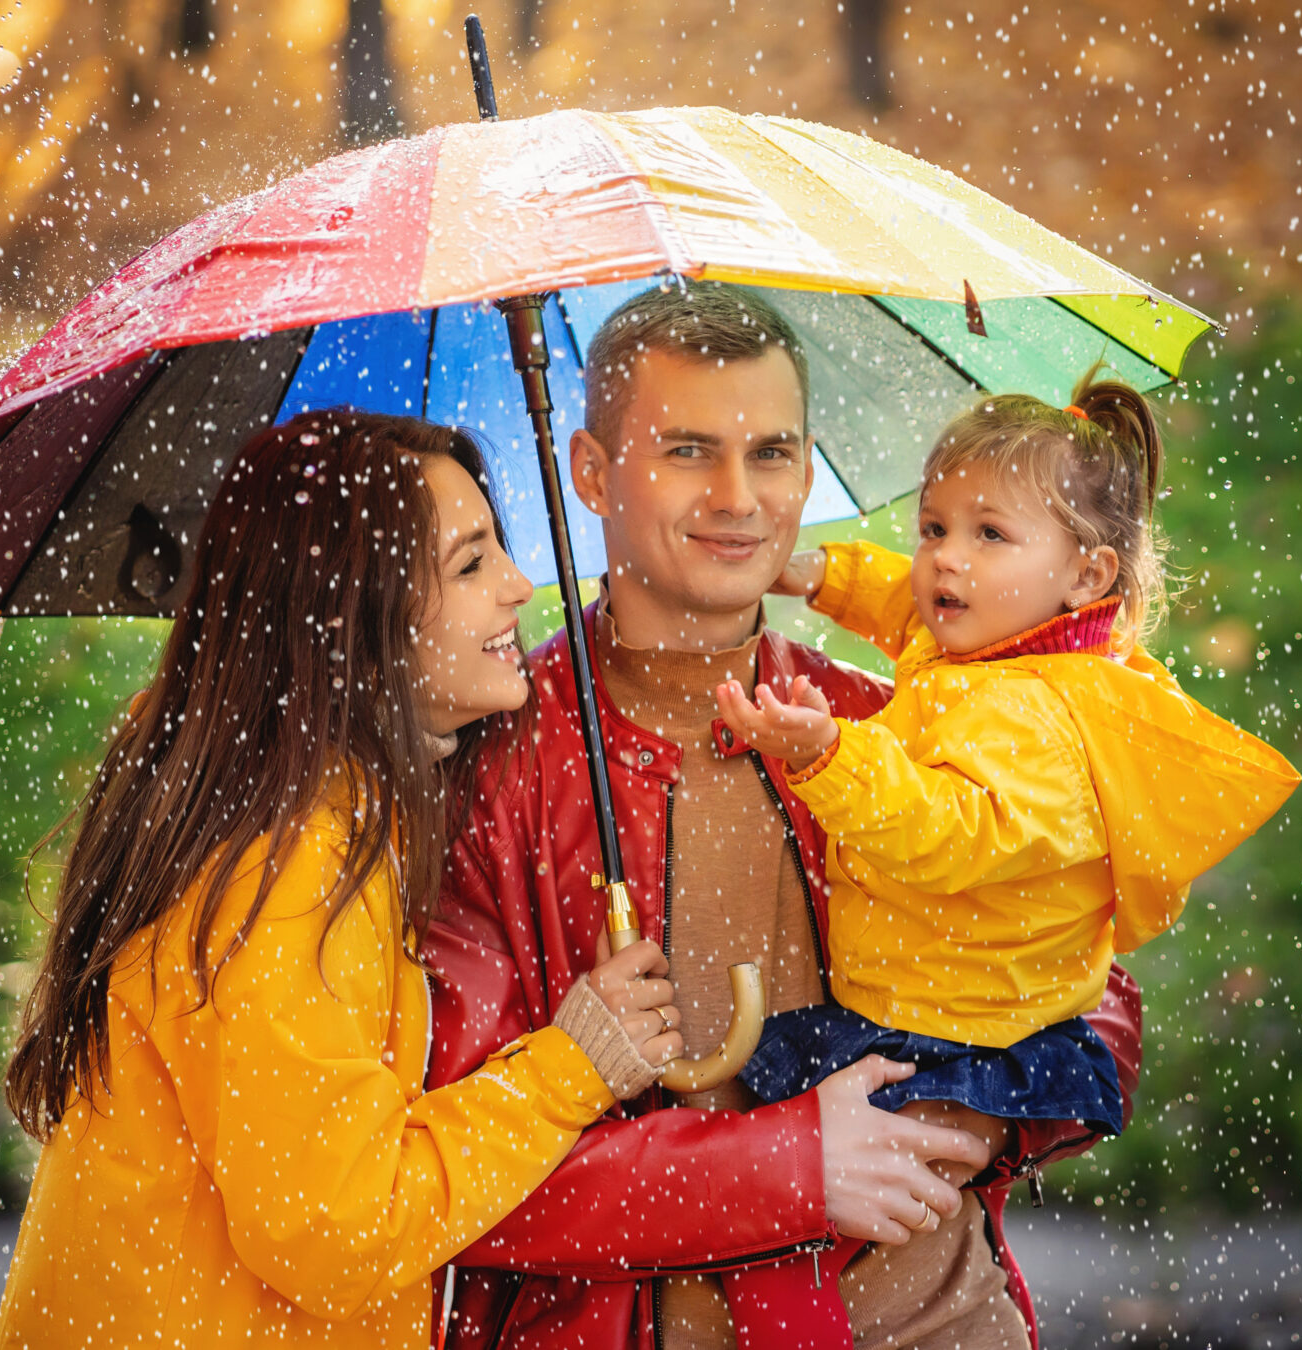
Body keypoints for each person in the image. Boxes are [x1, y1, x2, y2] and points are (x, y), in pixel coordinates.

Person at [421, 282, 1147, 1350]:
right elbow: (442, 1176)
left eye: (770, 453)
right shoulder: (491, 776)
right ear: (587, 473)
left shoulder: (884, 732)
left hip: (936, 1322)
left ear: (809, 469)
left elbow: (1094, 997)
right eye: (686, 451)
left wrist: (953, 1115)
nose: (738, 496)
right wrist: (788, 1169)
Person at [0, 411, 685, 1348]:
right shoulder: (285, 867)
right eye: (472, 565)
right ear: (351, 610)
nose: (519, 588)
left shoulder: (310, 807)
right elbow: (336, 1225)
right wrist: (574, 1067)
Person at [714, 371, 1302, 1334]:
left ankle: (889, 1305)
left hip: (958, 1028)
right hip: (936, 991)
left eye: (990, 535)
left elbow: (952, 835)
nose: (946, 559)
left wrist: (830, 753)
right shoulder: (999, 645)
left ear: (1088, 577)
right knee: (849, 1196)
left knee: (883, 1199)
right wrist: (821, 575)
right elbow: (906, 616)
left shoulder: (1039, 717)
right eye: (935, 527)